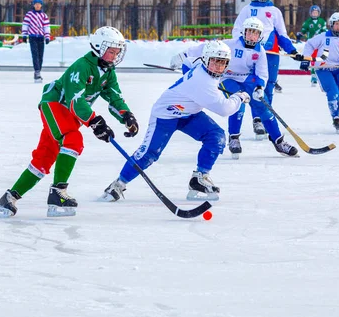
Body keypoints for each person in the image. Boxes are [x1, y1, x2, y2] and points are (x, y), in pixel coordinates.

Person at [0, 26, 139, 218]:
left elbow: (114, 97)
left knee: (44, 158)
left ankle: (9, 199)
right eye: (111, 51)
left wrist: (126, 116)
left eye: (117, 52)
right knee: (73, 139)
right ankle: (58, 192)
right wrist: (95, 122)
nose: (115, 55)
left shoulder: (108, 72)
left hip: (68, 115)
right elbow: (75, 101)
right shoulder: (82, 66)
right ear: (98, 48)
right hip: (54, 106)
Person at [101, 40, 251, 203]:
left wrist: (185, 71)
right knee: (150, 153)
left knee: (216, 136)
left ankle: (200, 178)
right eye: (214, 61)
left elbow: (187, 63)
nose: (218, 67)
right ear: (206, 59)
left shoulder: (198, 65)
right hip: (166, 114)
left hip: (189, 114)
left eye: (222, 63)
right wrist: (240, 96)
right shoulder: (204, 83)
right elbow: (225, 109)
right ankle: (117, 184)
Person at [171, 18, 299, 159]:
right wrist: (183, 55)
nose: (252, 36)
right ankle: (234, 138)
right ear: (244, 32)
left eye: (255, 33)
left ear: (260, 35)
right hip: (227, 77)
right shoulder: (230, 44)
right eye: (249, 31)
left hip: (247, 78)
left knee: (264, 107)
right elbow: (207, 47)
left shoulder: (260, 51)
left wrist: (259, 87)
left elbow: (262, 72)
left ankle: (278, 141)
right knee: (237, 103)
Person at [231, 0, 303, 137]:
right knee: (252, 85)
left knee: (268, 85)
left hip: (270, 53)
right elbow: (237, 31)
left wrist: (292, 51)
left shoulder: (275, 11)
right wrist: (241, 46)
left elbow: (282, 33)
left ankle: (263, 118)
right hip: (251, 53)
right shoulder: (247, 10)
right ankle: (256, 119)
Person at [297, 12, 339, 134]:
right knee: (334, 92)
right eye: (337, 24)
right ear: (331, 25)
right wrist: (306, 59)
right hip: (323, 69)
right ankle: (336, 118)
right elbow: (309, 45)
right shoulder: (323, 37)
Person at [22, 0, 51, 83]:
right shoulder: (29, 15)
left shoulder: (44, 15)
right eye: (36, 4)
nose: (37, 5)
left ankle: (38, 71)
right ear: (33, 5)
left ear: (41, 5)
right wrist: (24, 35)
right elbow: (25, 25)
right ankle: (37, 71)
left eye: (39, 4)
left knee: (40, 55)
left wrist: (47, 37)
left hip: (41, 37)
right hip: (32, 37)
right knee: (35, 54)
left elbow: (46, 27)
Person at [300, 5, 327, 87]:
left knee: (320, 59)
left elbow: (325, 31)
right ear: (310, 13)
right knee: (312, 59)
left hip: (320, 44)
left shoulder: (322, 22)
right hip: (311, 44)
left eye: (316, 12)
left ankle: (319, 74)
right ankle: (313, 76)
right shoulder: (307, 22)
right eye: (313, 12)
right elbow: (303, 31)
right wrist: (301, 34)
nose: (315, 14)